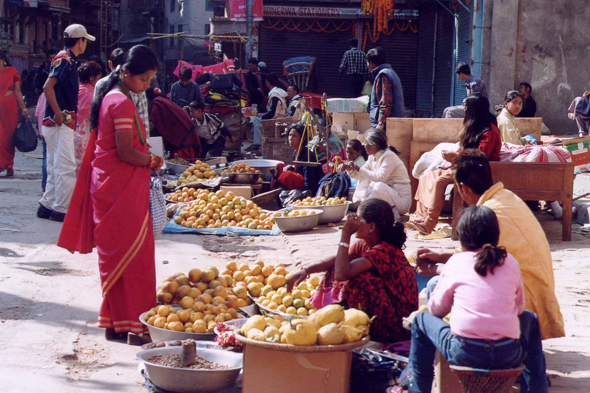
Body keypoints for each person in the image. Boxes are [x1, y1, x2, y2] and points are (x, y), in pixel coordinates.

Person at [57, 45, 163, 344]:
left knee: (119, 256)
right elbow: (127, 152)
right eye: (144, 79)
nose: (146, 86)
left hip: (112, 184)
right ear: (126, 73)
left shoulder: (113, 95)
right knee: (135, 258)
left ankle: (116, 323)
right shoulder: (121, 102)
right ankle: (134, 325)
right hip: (121, 187)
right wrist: (153, 161)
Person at [415, 150, 565, 340]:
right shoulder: (507, 197)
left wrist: (435, 267)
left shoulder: (489, 213)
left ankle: (455, 350)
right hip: (532, 302)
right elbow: (472, 256)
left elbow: (465, 266)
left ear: (464, 188)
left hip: (519, 303)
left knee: (436, 286)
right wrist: (441, 256)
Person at [408, 205, 548, 393]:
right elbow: (519, 309)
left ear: (462, 238)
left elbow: (436, 310)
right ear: (496, 236)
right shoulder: (510, 261)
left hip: (464, 353)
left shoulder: (456, 262)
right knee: (531, 318)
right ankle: (537, 390)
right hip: (508, 354)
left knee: (420, 320)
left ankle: (418, 390)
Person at [287, 199, 418, 343]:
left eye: (358, 219)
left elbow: (341, 274)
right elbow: (338, 260)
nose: (352, 223)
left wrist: (345, 235)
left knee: (359, 280)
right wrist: (307, 270)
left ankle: (365, 329)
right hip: (387, 311)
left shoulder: (385, 250)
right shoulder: (364, 245)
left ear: (371, 227)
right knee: (336, 267)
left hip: (398, 324)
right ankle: (337, 318)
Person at [408, 95, 501, 235]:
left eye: (466, 108)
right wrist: (454, 154)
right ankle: (421, 217)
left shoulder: (489, 130)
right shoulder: (474, 125)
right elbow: (465, 146)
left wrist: (457, 156)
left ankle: (429, 223)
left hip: (477, 169)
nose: (464, 110)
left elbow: (482, 154)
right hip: (465, 164)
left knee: (440, 181)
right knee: (427, 175)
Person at [37, 24, 94, 222]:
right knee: (66, 165)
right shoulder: (66, 60)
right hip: (61, 121)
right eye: (85, 40)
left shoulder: (62, 58)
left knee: (54, 165)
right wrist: (58, 113)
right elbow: (48, 87)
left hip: (53, 122)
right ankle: (61, 208)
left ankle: (47, 203)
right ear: (80, 41)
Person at [342, 129, 411, 219]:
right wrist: (350, 169)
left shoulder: (389, 156)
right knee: (364, 182)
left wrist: (358, 168)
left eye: (365, 142)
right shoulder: (372, 157)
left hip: (401, 201)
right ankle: (367, 209)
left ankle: (394, 213)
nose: (364, 145)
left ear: (373, 145)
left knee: (377, 186)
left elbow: (380, 178)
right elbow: (361, 175)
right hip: (387, 195)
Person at [0, 51, 28, 177]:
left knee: (9, 137)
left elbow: (17, 91)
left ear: (3, 60)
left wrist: (23, 109)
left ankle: (9, 164)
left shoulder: (12, 71)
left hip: (9, 109)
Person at [248, 73, 289, 153]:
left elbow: (272, 114)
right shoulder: (280, 92)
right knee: (257, 119)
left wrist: (263, 117)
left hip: (277, 120)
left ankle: (257, 144)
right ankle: (257, 143)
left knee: (256, 121)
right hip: (280, 117)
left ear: (267, 83)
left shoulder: (274, 95)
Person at [366, 47, 404, 130]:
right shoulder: (390, 72)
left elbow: (386, 102)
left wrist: (380, 123)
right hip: (393, 123)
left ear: (371, 63)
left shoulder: (383, 75)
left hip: (387, 126)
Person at [74, 61, 102, 169]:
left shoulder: (77, 89)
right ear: (91, 77)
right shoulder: (91, 94)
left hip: (73, 131)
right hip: (85, 134)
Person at [288, 124, 325, 194]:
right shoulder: (295, 152)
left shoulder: (307, 156)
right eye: (290, 135)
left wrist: (306, 193)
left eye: (294, 136)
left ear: (302, 138)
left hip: (313, 188)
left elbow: (309, 179)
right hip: (301, 185)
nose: (290, 138)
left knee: (287, 176)